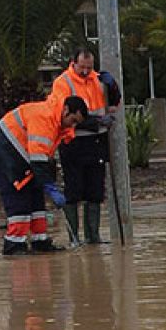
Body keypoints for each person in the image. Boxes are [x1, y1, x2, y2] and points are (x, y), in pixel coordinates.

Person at [0, 95, 88, 255]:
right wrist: (50, 186)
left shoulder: (58, 122)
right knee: (20, 194)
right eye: (73, 120)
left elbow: (44, 157)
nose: (73, 126)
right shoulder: (45, 118)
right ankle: (14, 245)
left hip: (18, 151)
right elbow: (38, 159)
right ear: (65, 110)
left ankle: (40, 241)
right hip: (5, 150)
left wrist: (47, 183)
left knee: (36, 195)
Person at [47, 48, 122, 245]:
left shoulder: (98, 79)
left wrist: (113, 86)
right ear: (74, 63)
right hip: (73, 142)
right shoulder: (63, 83)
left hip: (96, 142)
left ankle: (93, 237)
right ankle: (74, 238)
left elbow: (114, 103)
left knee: (95, 191)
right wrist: (97, 121)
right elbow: (63, 115)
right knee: (74, 190)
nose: (87, 71)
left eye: (90, 67)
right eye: (83, 67)